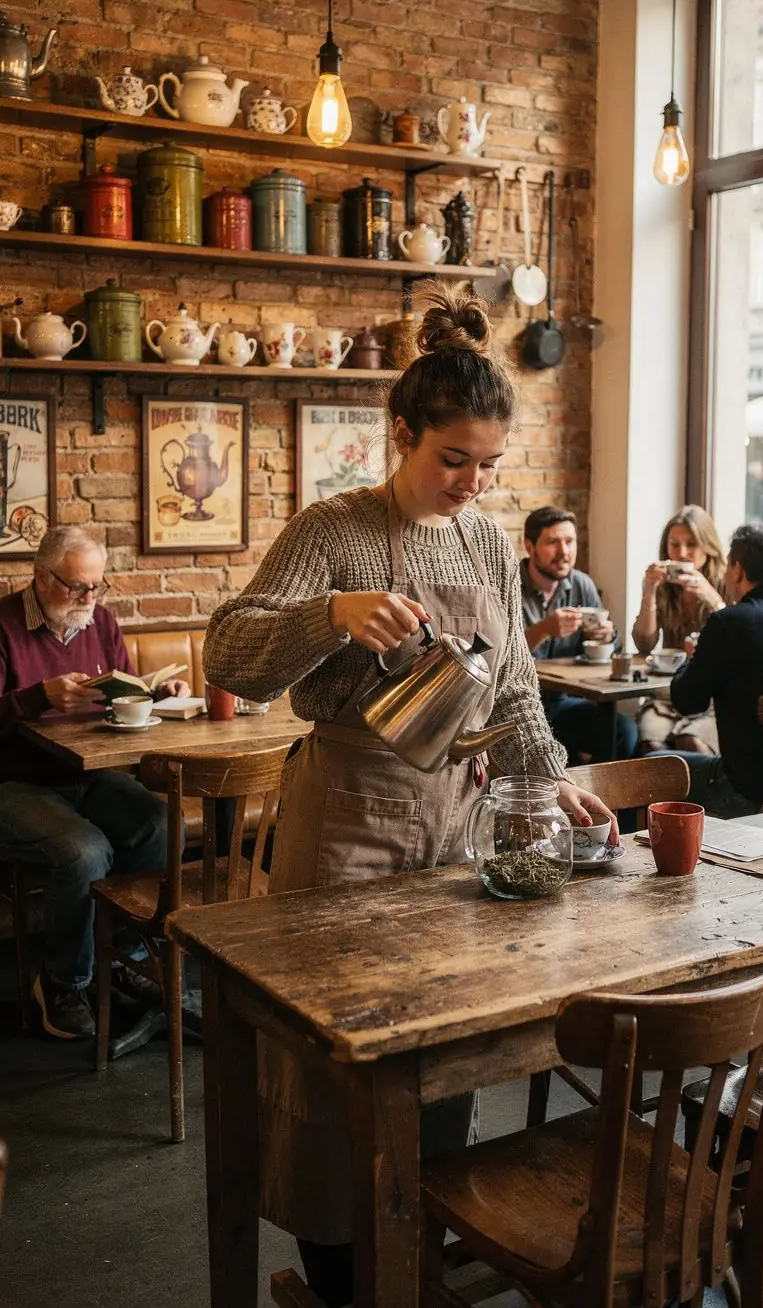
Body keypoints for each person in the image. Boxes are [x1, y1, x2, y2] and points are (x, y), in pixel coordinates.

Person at [204, 285, 617, 1308]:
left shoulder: (486, 542)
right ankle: (344, 1275)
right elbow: (233, 654)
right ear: (401, 434)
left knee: (446, 1045)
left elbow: (515, 685)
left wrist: (545, 779)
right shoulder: (335, 527)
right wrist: (332, 612)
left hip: (454, 825)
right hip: (345, 819)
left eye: (488, 464)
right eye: (453, 460)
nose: (472, 482)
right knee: (334, 1067)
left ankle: (421, 1248)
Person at [0, 527, 189, 1039]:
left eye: (96, 587)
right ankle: (62, 981)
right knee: (84, 851)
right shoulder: (3, 624)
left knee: (157, 821)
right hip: (16, 780)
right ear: (40, 577)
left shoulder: (100, 622)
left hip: (91, 773)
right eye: (75, 588)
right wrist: (37, 697)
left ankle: (123, 957)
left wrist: (158, 694)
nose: (88, 599)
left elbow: (120, 693)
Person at [669, 523, 763, 817]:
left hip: (746, 793)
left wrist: (691, 657)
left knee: (652, 766)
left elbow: (686, 702)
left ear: (737, 570)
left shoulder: (728, 623)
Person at [520, 505, 637, 764]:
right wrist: (543, 630)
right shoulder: (510, 585)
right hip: (521, 705)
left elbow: (612, 649)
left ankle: (604, 803)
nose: (564, 552)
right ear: (530, 546)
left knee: (623, 732)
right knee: (560, 753)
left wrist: (608, 637)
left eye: (570, 542)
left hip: (564, 702)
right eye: (553, 542)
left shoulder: (581, 584)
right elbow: (500, 656)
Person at [632, 505, 727, 754]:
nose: (682, 553)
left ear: (707, 546)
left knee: (691, 742)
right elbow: (644, 643)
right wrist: (649, 592)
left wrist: (712, 599)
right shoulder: (664, 585)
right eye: (674, 545)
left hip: (714, 698)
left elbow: (739, 639)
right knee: (650, 745)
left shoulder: (725, 580)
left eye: (691, 544)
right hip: (670, 692)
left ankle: (711, 794)